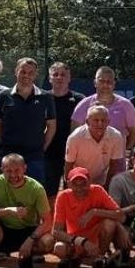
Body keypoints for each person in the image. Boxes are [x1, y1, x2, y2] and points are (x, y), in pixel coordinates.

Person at [0, 152, 50, 268]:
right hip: (3, 232)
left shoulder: (36, 188)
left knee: (48, 242)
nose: (13, 175)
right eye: (8, 171)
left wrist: (31, 239)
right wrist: (9, 210)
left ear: (25, 168)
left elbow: (48, 221)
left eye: (17, 170)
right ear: (2, 169)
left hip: (27, 232)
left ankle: (26, 257)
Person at [51, 166, 129, 268]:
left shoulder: (98, 190)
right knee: (59, 248)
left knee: (109, 223)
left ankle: (99, 260)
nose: (79, 188)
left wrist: (95, 212)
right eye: (75, 184)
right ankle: (76, 259)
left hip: (97, 239)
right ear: (68, 184)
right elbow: (56, 232)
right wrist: (82, 241)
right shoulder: (62, 197)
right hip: (76, 240)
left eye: (83, 184)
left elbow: (121, 216)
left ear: (90, 182)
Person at [0, 57, 57, 181]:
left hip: (35, 157)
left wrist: (42, 147)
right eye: (23, 71)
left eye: (30, 73)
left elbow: (51, 126)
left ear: (36, 74)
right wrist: (5, 142)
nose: (26, 75)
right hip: (8, 155)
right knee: (6, 195)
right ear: (16, 71)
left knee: (34, 195)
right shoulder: (3, 96)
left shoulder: (46, 97)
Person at [42, 62, 84, 199]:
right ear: (49, 78)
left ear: (69, 78)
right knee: (49, 193)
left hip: (73, 154)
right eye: (55, 74)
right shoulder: (42, 98)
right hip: (49, 153)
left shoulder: (80, 100)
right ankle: (50, 221)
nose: (59, 77)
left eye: (63, 75)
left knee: (73, 192)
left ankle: (71, 220)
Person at [75, 67, 135, 154]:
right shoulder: (84, 105)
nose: (105, 84)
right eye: (101, 81)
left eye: (109, 81)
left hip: (117, 159)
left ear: (114, 83)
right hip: (89, 157)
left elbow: (134, 132)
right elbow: (74, 133)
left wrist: (125, 150)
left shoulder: (126, 105)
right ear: (95, 83)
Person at [65, 105, 126, 186]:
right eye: (95, 120)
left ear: (108, 122)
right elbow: (68, 164)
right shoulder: (75, 137)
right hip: (79, 181)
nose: (100, 123)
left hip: (102, 180)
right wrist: (70, 185)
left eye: (103, 120)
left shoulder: (116, 136)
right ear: (87, 121)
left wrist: (107, 186)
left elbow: (114, 165)